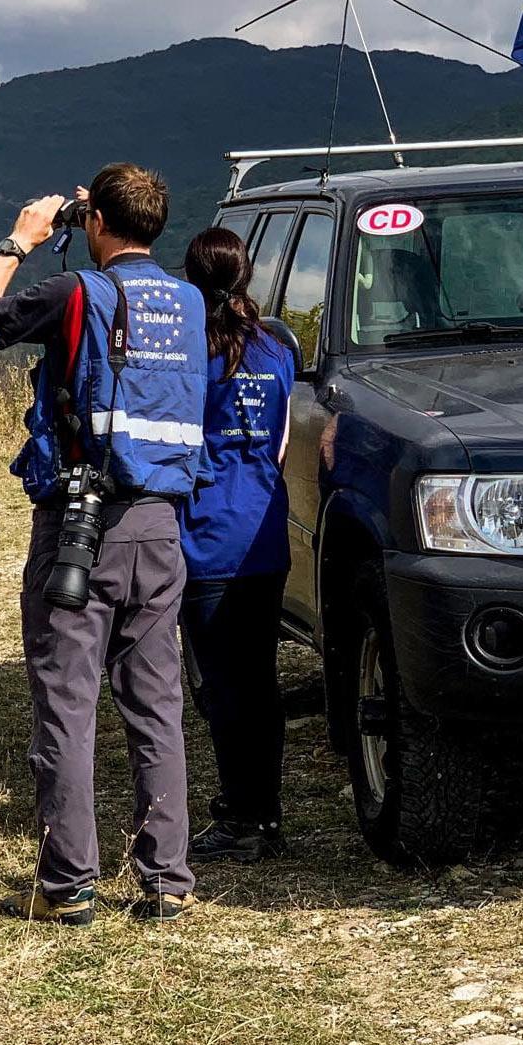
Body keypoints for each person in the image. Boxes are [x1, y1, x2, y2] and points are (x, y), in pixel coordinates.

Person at [0, 163, 209, 926]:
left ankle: (68, 887)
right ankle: (166, 879)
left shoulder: (77, 293)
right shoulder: (188, 300)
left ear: (95, 222)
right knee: (156, 705)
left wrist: (20, 239)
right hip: (162, 523)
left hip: (81, 525)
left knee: (67, 704)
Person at [176, 227, 294, 864]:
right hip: (265, 530)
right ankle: (264, 811)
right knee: (259, 680)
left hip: (207, 533)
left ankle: (242, 815)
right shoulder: (276, 349)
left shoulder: (190, 352)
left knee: (221, 685)